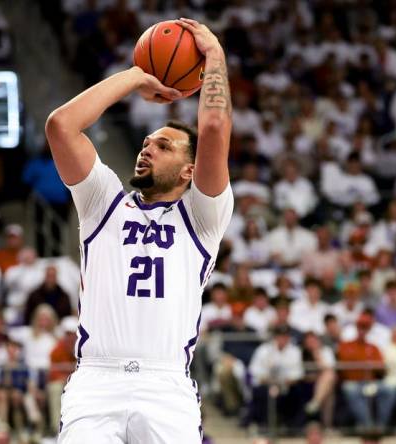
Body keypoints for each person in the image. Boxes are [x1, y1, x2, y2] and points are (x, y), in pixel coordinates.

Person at [46, 18, 233, 442]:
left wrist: (214, 56)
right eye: (147, 140)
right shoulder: (102, 202)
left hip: (165, 383)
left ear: (190, 170)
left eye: (163, 146)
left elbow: (216, 128)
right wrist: (134, 77)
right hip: (97, 380)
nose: (147, 146)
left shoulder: (203, 217)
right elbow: (61, 126)